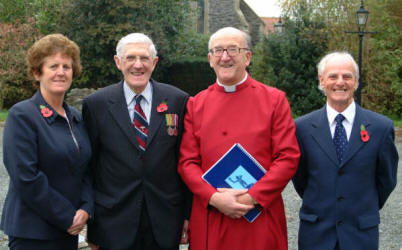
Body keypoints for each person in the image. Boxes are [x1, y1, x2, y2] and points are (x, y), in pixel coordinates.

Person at [178, 27, 300, 250]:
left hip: (258, 214)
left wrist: (251, 197)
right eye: (218, 51)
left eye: (233, 49)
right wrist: (214, 198)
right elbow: (187, 162)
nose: (225, 57)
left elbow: (288, 157)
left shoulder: (274, 100)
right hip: (212, 215)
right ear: (210, 59)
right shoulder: (196, 104)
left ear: (248, 56)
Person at [82, 33, 190, 250]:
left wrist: (187, 215)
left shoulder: (178, 100)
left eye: (144, 58)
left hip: (164, 222)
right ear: (118, 62)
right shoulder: (96, 105)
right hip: (113, 223)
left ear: (154, 63)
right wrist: (93, 224)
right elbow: (89, 166)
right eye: (130, 58)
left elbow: (184, 162)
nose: (137, 65)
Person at [293, 51, 399, 250]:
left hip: (360, 233)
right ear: (322, 80)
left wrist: (363, 207)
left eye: (347, 76)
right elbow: (300, 178)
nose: (340, 82)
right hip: (316, 233)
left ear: (356, 82)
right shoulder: (302, 128)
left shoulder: (380, 127)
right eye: (333, 76)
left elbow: (387, 179)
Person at [0, 34, 93, 250]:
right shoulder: (22, 115)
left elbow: (87, 168)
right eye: (53, 66)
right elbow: (26, 177)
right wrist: (67, 215)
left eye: (66, 67)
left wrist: (86, 208)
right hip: (33, 234)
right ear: (37, 72)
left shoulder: (76, 119)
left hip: (67, 232)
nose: (61, 72)